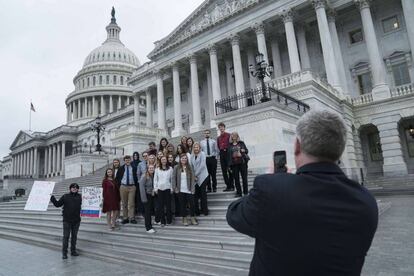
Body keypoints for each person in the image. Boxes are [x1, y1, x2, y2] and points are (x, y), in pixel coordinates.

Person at [226, 110, 378, 276]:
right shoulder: (366, 202)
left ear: (297, 145)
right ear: (340, 149)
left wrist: (273, 181)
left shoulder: (271, 189)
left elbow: (234, 214)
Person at [50, 183, 82, 259]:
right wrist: (52, 198)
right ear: (70, 188)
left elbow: (87, 205)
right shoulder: (65, 196)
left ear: (78, 189)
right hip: (67, 220)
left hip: (76, 220)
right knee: (66, 237)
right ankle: (64, 253)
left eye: (76, 187)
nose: (74, 188)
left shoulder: (80, 197)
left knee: (74, 237)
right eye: (73, 187)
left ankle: (73, 251)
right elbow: (58, 204)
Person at [172, 154, 197, 226]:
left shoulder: (190, 167)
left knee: (192, 204)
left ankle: (192, 217)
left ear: (187, 159)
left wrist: (193, 188)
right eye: (182, 158)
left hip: (189, 189)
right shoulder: (176, 167)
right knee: (182, 205)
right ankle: (184, 218)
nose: (184, 159)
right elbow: (173, 178)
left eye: (185, 158)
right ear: (180, 159)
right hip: (180, 190)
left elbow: (193, 178)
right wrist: (175, 188)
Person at [115, 155, 138, 224]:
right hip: (123, 187)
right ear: (124, 161)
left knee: (131, 203)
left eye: (128, 160)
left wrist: (135, 185)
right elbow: (117, 178)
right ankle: (125, 218)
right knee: (124, 203)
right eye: (126, 160)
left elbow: (137, 176)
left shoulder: (134, 168)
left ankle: (132, 218)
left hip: (132, 187)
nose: (127, 161)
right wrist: (119, 186)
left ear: (130, 160)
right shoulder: (121, 168)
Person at [190, 142, 209, 216]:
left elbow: (202, 165)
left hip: (203, 176)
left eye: (197, 147)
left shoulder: (203, 154)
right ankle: (197, 211)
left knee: (203, 194)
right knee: (195, 196)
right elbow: (190, 166)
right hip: (195, 178)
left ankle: (205, 211)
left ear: (199, 148)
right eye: (194, 147)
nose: (196, 148)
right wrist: (193, 176)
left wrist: (195, 175)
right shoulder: (191, 156)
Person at [228, 132, 249, 197]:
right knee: (236, 179)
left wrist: (243, 150)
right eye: (233, 135)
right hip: (234, 164)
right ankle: (239, 193)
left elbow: (247, 151)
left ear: (237, 136)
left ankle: (245, 192)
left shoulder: (241, 143)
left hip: (242, 163)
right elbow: (228, 156)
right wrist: (229, 166)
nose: (234, 136)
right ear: (231, 137)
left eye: (235, 135)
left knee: (244, 178)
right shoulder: (230, 145)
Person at [154, 155, 173, 226]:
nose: (164, 161)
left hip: (168, 188)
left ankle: (169, 220)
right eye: (162, 160)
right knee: (160, 206)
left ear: (166, 160)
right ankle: (162, 221)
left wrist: (172, 188)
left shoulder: (170, 169)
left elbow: (172, 179)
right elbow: (155, 180)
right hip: (160, 189)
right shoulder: (157, 169)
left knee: (168, 205)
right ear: (160, 161)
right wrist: (155, 188)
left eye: (165, 159)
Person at [139, 164, 156, 233]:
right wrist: (144, 199)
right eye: (150, 168)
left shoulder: (152, 175)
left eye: (152, 168)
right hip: (146, 196)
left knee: (149, 211)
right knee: (147, 212)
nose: (151, 169)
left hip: (151, 195)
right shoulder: (144, 176)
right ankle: (148, 228)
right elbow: (141, 187)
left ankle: (150, 225)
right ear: (147, 169)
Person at [217, 122, 233, 192]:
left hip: (228, 153)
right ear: (219, 128)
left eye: (222, 127)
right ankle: (228, 185)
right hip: (222, 153)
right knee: (224, 171)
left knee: (230, 170)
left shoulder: (229, 135)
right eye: (220, 127)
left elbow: (231, 144)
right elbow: (218, 146)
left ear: (224, 127)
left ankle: (232, 185)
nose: (221, 128)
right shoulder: (218, 138)